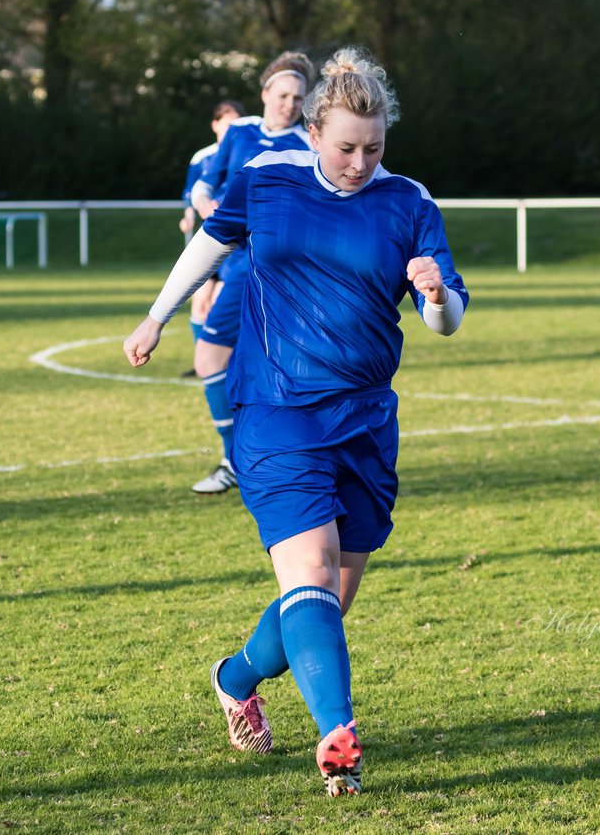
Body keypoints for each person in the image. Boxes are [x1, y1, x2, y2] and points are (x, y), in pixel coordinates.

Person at [123, 47, 468, 797]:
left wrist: (435, 292)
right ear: (314, 131)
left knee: (322, 603)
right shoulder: (267, 182)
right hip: (275, 415)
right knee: (309, 577)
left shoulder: (409, 202)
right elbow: (204, 248)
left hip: (368, 424)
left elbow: (449, 320)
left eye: (373, 148)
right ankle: (337, 736)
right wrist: (156, 317)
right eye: (345, 146)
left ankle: (234, 676)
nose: (358, 161)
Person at [185, 51, 315, 494]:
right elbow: (205, 184)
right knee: (236, 363)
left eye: (298, 97)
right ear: (264, 94)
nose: (290, 104)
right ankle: (249, 455)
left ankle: (240, 457)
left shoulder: (308, 144)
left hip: (265, 269)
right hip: (229, 259)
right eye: (282, 94)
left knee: (218, 360)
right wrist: (208, 210)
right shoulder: (238, 132)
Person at [178, 99, 245, 377]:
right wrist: (190, 216)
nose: (232, 129)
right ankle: (202, 361)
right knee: (200, 299)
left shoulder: (246, 152)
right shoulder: (202, 157)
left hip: (238, 240)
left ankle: (224, 359)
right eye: (227, 123)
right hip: (212, 237)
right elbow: (191, 193)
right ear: (215, 125)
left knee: (220, 298)